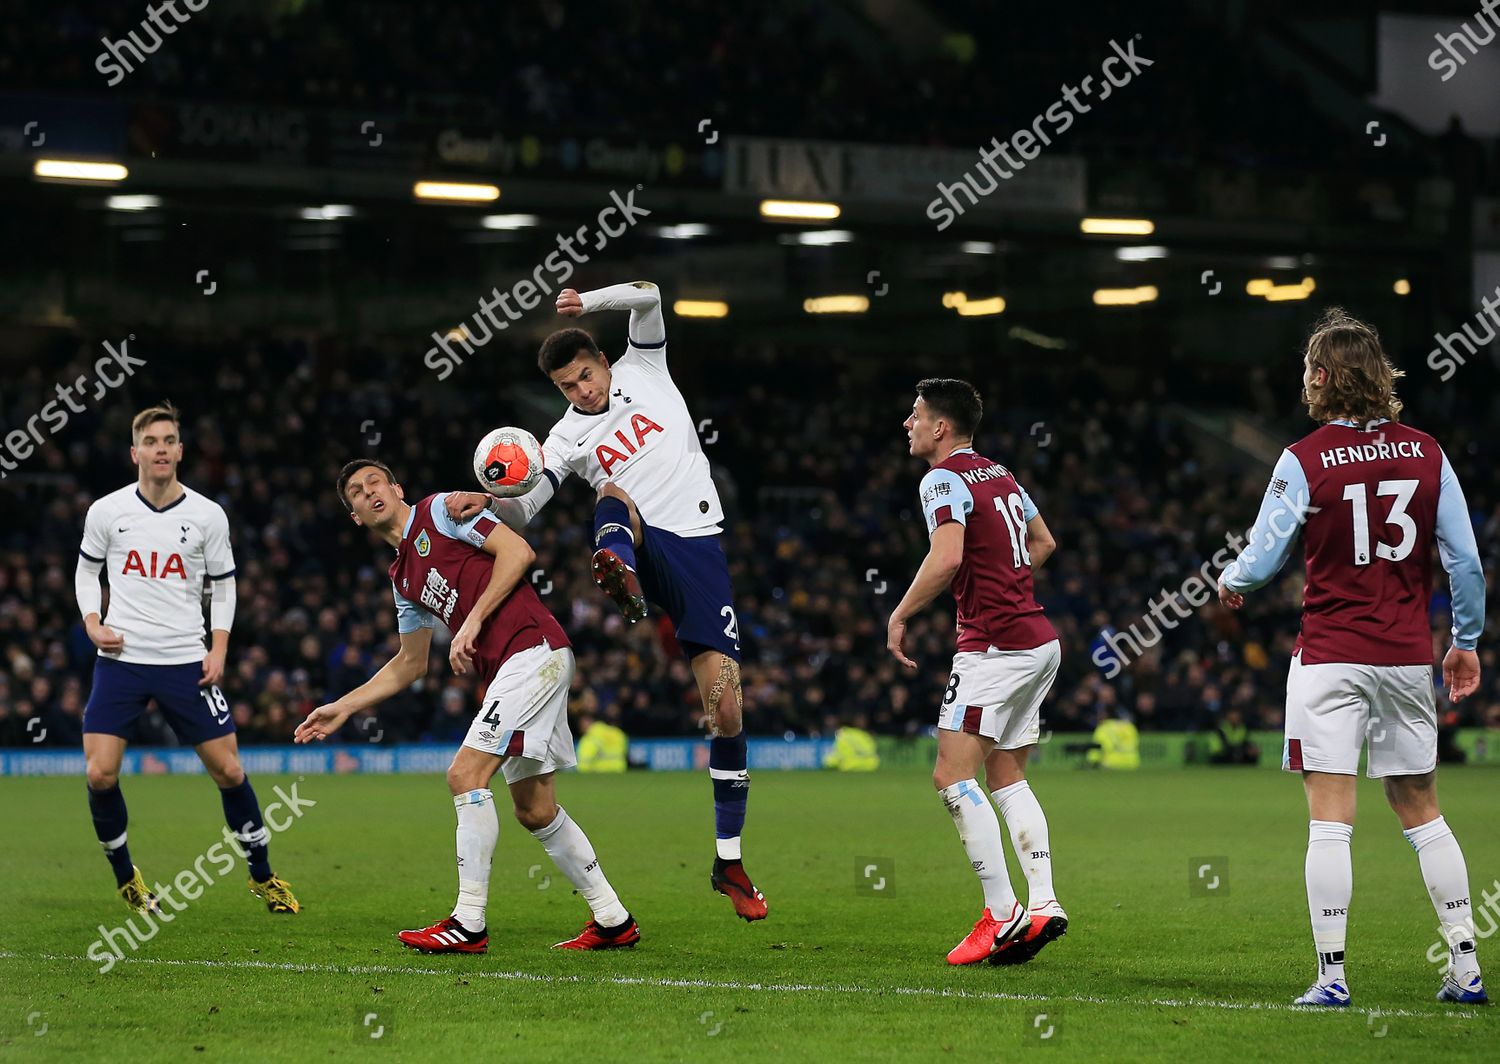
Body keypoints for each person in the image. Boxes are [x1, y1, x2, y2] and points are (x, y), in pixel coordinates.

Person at [447, 280, 765, 920]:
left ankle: (728, 860)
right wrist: (494, 502)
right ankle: (615, 563)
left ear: (603, 361)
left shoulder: (645, 365)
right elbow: (530, 506)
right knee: (612, 493)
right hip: (635, 536)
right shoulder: (561, 439)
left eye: (586, 375)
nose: (582, 391)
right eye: (568, 386)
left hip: (698, 547)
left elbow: (649, 296)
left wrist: (588, 300)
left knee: (725, 708)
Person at [1219, 309, 1487, 1007]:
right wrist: (1465, 641)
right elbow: (1464, 560)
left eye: (1310, 368)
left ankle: (1333, 976)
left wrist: (1233, 581)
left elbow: (1265, 552)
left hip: (1330, 656)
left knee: (1329, 818)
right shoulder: (1428, 453)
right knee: (1422, 809)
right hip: (1404, 657)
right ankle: (1465, 966)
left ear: (1323, 377)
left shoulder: (1304, 457)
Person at [298, 460, 638, 953]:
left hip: (532, 649)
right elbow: (410, 664)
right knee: (536, 810)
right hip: (519, 664)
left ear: (397, 488)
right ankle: (613, 918)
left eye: (376, 481)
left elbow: (518, 551)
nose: (369, 491)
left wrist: (473, 621)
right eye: (355, 491)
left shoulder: (440, 511)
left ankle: (468, 921)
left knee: (464, 775)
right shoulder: (403, 579)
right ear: (354, 515)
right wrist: (344, 706)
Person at [76, 402, 299, 915]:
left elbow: (224, 587)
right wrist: (92, 621)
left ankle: (263, 877)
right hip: (122, 659)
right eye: (151, 441)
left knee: (228, 771)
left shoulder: (207, 515)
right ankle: (126, 879)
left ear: (180, 450)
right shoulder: (106, 512)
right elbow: (87, 574)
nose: (160, 449)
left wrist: (219, 647)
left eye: (169, 440)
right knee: (100, 775)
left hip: (186, 660)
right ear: (135, 451)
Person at [886, 378, 1066, 967]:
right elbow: (1042, 541)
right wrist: (1006, 585)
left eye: (914, 416)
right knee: (1006, 774)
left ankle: (1000, 912)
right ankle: (1042, 903)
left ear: (941, 427)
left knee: (949, 774)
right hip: (1038, 642)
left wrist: (901, 612)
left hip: (995, 649)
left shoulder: (941, 479)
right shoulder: (1001, 473)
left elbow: (948, 555)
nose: (907, 425)